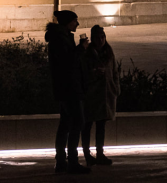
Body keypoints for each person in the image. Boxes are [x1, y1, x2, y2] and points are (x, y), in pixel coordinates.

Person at [46, 9, 90, 175]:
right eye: (75, 21)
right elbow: (67, 63)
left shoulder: (61, 37)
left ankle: (62, 161)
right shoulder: (60, 39)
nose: (77, 24)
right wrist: (81, 49)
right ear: (67, 23)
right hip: (70, 88)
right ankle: (71, 161)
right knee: (77, 122)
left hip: (66, 87)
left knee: (66, 123)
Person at [82, 25, 120, 167]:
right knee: (87, 124)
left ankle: (100, 153)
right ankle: (87, 153)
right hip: (92, 95)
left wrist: (116, 88)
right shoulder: (87, 53)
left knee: (101, 125)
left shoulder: (108, 52)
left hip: (106, 94)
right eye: (98, 37)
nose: (101, 40)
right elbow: (83, 72)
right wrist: (93, 74)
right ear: (92, 39)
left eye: (103, 37)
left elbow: (115, 71)